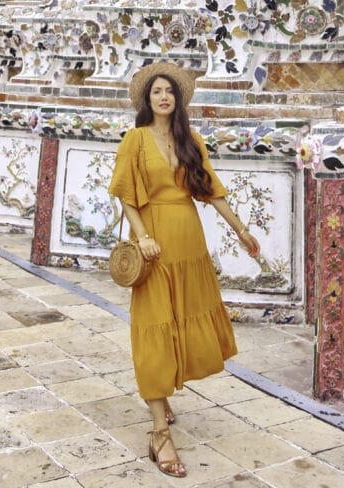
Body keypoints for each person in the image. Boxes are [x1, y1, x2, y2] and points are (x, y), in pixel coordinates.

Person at [109, 60, 261, 478]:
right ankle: (159, 432)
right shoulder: (135, 140)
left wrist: (242, 231)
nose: (163, 97)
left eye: (169, 92)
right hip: (154, 244)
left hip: (188, 242)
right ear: (147, 99)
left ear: (177, 100)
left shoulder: (190, 139)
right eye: (156, 91)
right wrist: (141, 236)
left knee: (180, 320)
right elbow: (125, 195)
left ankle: (162, 395)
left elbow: (211, 191)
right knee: (154, 324)